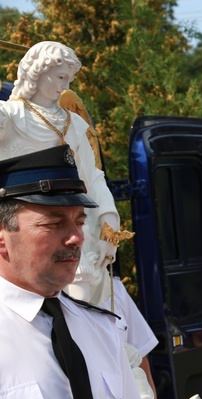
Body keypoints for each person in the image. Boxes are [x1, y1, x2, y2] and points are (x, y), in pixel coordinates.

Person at [0, 145, 148, 399]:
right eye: (53, 223)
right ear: (2, 240)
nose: (76, 237)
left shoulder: (101, 330)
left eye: (79, 221)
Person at [0, 41, 120, 306]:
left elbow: (93, 178)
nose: (65, 87)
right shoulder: (9, 117)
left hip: (75, 228)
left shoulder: (74, 123)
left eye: (70, 79)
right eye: (61, 77)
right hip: (21, 227)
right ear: (37, 72)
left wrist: (109, 230)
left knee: (85, 303)